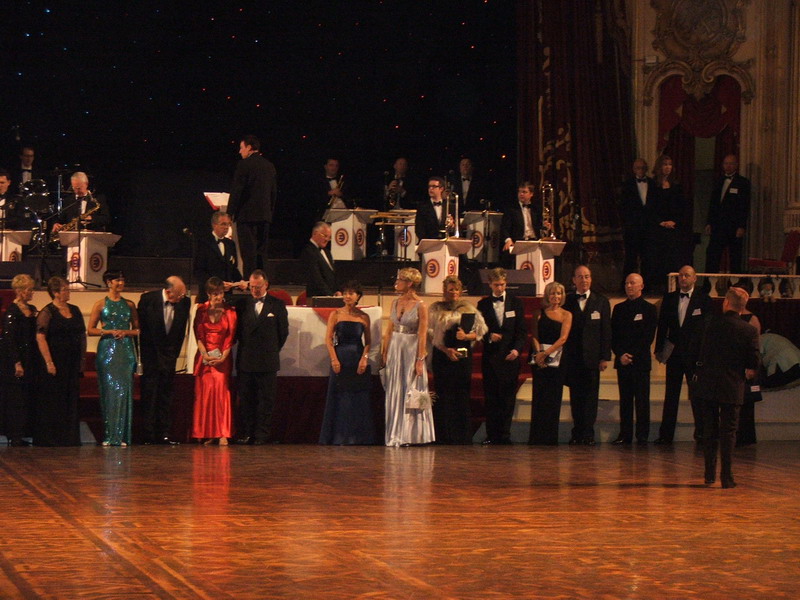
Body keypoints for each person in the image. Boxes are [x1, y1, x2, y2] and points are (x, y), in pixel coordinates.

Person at [694, 287, 760, 488]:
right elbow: (753, 361)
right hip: (732, 384)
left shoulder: (709, 323)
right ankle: (727, 476)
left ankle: (709, 474)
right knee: (729, 432)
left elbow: (697, 349)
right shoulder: (749, 330)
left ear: (726, 302)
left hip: (708, 383)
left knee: (709, 430)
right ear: (743, 307)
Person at [653, 265, 712, 444]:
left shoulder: (704, 299)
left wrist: (704, 354)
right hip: (675, 354)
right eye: (680, 275)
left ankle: (702, 433)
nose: (683, 278)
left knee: (697, 395)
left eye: (687, 275)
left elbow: (708, 329)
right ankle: (666, 435)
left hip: (695, 355)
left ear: (694, 278)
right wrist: (659, 349)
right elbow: (662, 325)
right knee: (671, 395)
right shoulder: (669, 298)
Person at [428, 275, 487, 444]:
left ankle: (461, 436)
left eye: (456, 289)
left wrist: (466, 336)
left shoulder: (468, 308)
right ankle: (444, 435)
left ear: (460, 291)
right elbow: (430, 334)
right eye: (450, 289)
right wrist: (446, 350)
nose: (453, 292)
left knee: (461, 395)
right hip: (442, 356)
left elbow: (480, 332)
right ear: (444, 291)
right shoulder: (435, 308)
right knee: (444, 395)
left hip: (462, 358)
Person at [381, 267, 435, 446]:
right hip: (396, 347)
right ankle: (395, 434)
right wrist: (385, 351)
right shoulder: (395, 302)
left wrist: (420, 359)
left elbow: (422, 333)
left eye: (400, 280)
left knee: (411, 388)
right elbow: (390, 329)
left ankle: (411, 435)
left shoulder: (421, 305)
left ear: (410, 283)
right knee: (396, 388)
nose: (396, 283)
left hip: (411, 348)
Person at [234, 269, 289, 444]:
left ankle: (262, 435)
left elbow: (282, 333)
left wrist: (270, 350)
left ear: (266, 285)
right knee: (247, 399)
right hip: (246, 359)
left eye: (258, 287)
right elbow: (237, 332)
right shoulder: (242, 305)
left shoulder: (277, 305)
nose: (255, 290)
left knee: (266, 401)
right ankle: (248, 433)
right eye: (252, 287)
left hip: (267, 360)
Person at [319, 280, 376, 445]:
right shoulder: (336, 314)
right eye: (345, 293)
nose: (347, 296)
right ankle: (339, 436)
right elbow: (328, 339)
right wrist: (334, 359)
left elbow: (368, 342)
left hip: (357, 358)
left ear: (358, 296)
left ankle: (358, 437)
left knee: (357, 399)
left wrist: (364, 358)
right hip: (341, 357)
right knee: (340, 398)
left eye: (351, 293)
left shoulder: (364, 317)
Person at [86, 270, 139, 447]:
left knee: (124, 391)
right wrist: (108, 331)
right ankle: (109, 434)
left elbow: (137, 330)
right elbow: (90, 329)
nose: (121, 283)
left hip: (125, 350)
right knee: (108, 392)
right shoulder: (100, 304)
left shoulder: (129, 305)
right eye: (117, 280)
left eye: (123, 280)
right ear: (109, 282)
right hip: (107, 350)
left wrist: (126, 332)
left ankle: (123, 435)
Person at [476, 267, 527, 445]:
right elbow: (478, 330)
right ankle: (491, 435)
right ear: (490, 284)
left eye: (503, 285)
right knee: (491, 398)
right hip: (491, 357)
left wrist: (516, 350)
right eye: (496, 285)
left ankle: (505, 435)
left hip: (510, 357)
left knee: (507, 398)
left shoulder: (516, 303)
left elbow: (521, 331)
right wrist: (489, 336)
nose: (500, 288)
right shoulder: (483, 305)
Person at [137, 276, 191, 444]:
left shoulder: (185, 302)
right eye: (180, 294)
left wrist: (174, 354)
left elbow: (180, 332)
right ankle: (148, 434)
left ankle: (164, 433)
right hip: (151, 357)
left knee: (166, 396)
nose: (182, 297)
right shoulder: (148, 300)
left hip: (169, 357)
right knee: (150, 395)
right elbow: (142, 331)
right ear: (168, 292)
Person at [563, 265, 611, 446]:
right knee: (575, 397)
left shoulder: (601, 301)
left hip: (593, 358)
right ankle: (577, 432)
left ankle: (588, 433)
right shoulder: (567, 301)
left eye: (587, 276)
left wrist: (604, 356)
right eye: (580, 277)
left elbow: (606, 331)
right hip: (573, 358)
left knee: (591, 397)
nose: (584, 280)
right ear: (574, 280)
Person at [35, 276, 86, 446]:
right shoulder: (47, 312)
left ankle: (69, 438)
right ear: (56, 293)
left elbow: (81, 335)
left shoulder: (75, 310)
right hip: (56, 361)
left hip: (72, 362)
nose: (68, 292)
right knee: (54, 399)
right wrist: (49, 362)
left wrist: (81, 361)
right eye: (65, 289)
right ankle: (52, 438)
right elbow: (40, 337)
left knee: (70, 399)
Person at [610, 273, 658, 445]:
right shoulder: (619, 308)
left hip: (640, 362)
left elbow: (648, 337)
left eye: (632, 283)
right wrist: (620, 354)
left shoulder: (649, 309)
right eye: (627, 283)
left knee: (642, 400)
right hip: (623, 361)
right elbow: (613, 336)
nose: (629, 286)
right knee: (625, 400)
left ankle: (642, 435)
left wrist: (632, 355)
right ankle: (625, 434)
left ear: (641, 286)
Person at [192, 277, 238, 446]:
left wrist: (222, 358)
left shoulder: (230, 312)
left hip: (222, 358)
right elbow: (199, 336)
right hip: (204, 357)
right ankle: (207, 432)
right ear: (208, 294)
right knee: (205, 394)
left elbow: (229, 338)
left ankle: (223, 432)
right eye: (215, 294)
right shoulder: (201, 311)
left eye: (220, 293)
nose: (218, 297)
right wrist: (205, 355)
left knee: (221, 393)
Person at [227, 134, 278, 278]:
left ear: (249, 148)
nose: (240, 151)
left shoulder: (244, 165)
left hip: (246, 216)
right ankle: (262, 283)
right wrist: (269, 212)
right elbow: (273, 192)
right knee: (261, 253)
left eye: (241, 148)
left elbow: (237, 190)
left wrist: (230, 213)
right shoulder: (269, 166)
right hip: (264, 216)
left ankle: (250, 283)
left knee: (248, 253)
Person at [528, 281, 572, 445]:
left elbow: (563, 338)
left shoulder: (567, 315)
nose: (556, 296)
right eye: (553, 293)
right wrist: (539, 354)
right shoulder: (538, 313)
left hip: (557, 361)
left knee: (553, 399)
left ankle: (550, 438)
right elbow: (534, 335)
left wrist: (546, 353)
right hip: (539, 360)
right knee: (539, 398)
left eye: (558, 293)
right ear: (547, 295)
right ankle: (536, 438)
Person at [0, 274, 38, 446]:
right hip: (17, 359)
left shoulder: (32, 309)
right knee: (16, 397)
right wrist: (17, 362)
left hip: (30, 356)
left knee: (27, 395)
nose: (32, 292)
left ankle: (25, 432)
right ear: (20, 291)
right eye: (29, 289)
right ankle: (15, 434)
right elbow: (10, 339)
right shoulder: (12, 311)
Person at [705, 154, 751, 274]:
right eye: (726, 163)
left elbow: (744, 206)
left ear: (736, 165)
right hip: (718, 226)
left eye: (731, 163)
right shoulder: (718, 181)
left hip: (734, 226)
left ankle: (735, 282)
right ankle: (709, 282)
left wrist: (741, 226)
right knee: (712, 255)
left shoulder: (743, 183)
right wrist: (709, 222)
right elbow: (713, 204)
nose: (728, 166)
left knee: (735, 256)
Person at [647, 155, 683, 293]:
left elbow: (681, 206)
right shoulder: (653, 184)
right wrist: (660, 222)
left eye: (670, 164)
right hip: (657, 227)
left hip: (673, 227)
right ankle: (658, 284)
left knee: (672, 256)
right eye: (665, 164)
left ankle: (672, 286)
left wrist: (674, 221)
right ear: (659, 166)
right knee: (657, 256)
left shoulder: (676, 184)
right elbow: (650, 207)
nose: (668, 167)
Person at [193, 211, 246, 304]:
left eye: (228, 224)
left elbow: (233, 269)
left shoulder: (231, 244)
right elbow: (198, 271)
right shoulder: (202, 243)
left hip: (227, 296)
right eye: (223, 224)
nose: (226, 227)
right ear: (214, 225)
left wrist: (240, 282)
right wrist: (217, 285)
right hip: (208, 296)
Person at [619, 159, 655, 286]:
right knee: (631, 257)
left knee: (647, 257)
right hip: (632, 227)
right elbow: (623, 206)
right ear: (634, 170)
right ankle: (626, 285)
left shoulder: (652, 183)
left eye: (643, 168)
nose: (640, 170)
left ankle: (647, 285)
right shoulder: (627, 184)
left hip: (648, 227)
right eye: (638, 168)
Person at [735, 288, 762, 446]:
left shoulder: (752, 319)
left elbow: (756, 346)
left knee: (746, 401)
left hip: (746, 365)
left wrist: (752, 366)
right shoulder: (729, 318)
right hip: (734, 365)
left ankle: (745, 436)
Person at [499, 182, 542, 268]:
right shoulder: (511, 209)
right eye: (519, 192)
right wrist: (508, 240)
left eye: (524, 192)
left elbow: (539, 226)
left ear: (531, 194)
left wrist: (546, 227)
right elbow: (504, 227)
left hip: (534, 241)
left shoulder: (536, 209)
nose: (521, 194)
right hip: (518, 241)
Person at [300, 221, 337, 298]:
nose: (327, 239)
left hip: (330, 297)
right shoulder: (308, 251)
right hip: (317, 298)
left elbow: (332, 275)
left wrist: (337, 290)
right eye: (325, 236)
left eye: (329, 237)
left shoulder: (327, 252)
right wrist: (330, 295)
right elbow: (316, 278)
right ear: (315, 233)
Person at [414, 176, 453, 242]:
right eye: (429, 186)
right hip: (428, 243)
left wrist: (452, 226)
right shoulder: (422, 207)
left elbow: (454, 229)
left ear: (441, 189)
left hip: (446, 242)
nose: (430, 189)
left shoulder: (449, 206)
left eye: (434, 186)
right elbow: (419, 229)